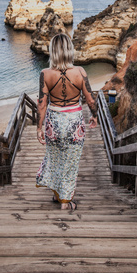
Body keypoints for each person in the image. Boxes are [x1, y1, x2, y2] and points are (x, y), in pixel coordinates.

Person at [35, 33, 98, 211]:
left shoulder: (45, 73)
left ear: (53, 51)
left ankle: (58, 195)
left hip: (53, 123)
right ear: (69, 50)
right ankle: (66, 201)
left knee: (55, 160)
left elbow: (42, 104)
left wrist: (39, 128)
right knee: (70, 162)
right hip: (74, 124)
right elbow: (90, 100)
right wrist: (94, 116)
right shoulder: (80, 72)